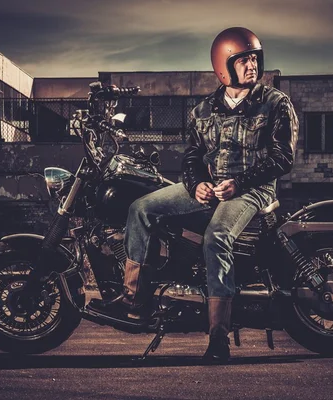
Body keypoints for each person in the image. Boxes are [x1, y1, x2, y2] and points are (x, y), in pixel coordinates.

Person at [90, 27, 298, 363]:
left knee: (216, 237)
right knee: (140, 208)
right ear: (223, 65)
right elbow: (192, 157)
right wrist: (196, 183)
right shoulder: (203, 110)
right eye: (243, 60)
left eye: (254, 59)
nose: (251, 66)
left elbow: (282, 158)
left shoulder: (275, 103)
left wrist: (240, 183)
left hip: (252, 190)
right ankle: (134, 300)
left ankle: (219, 337)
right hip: (211, 188)